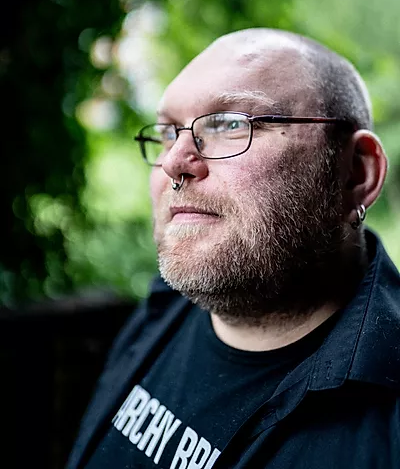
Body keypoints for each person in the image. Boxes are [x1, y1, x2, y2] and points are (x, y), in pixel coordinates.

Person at [67, 28, 400, 469]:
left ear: (356, 173)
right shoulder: (164, 307)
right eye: (168, 132)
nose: (173, 162)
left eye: (230, 124)